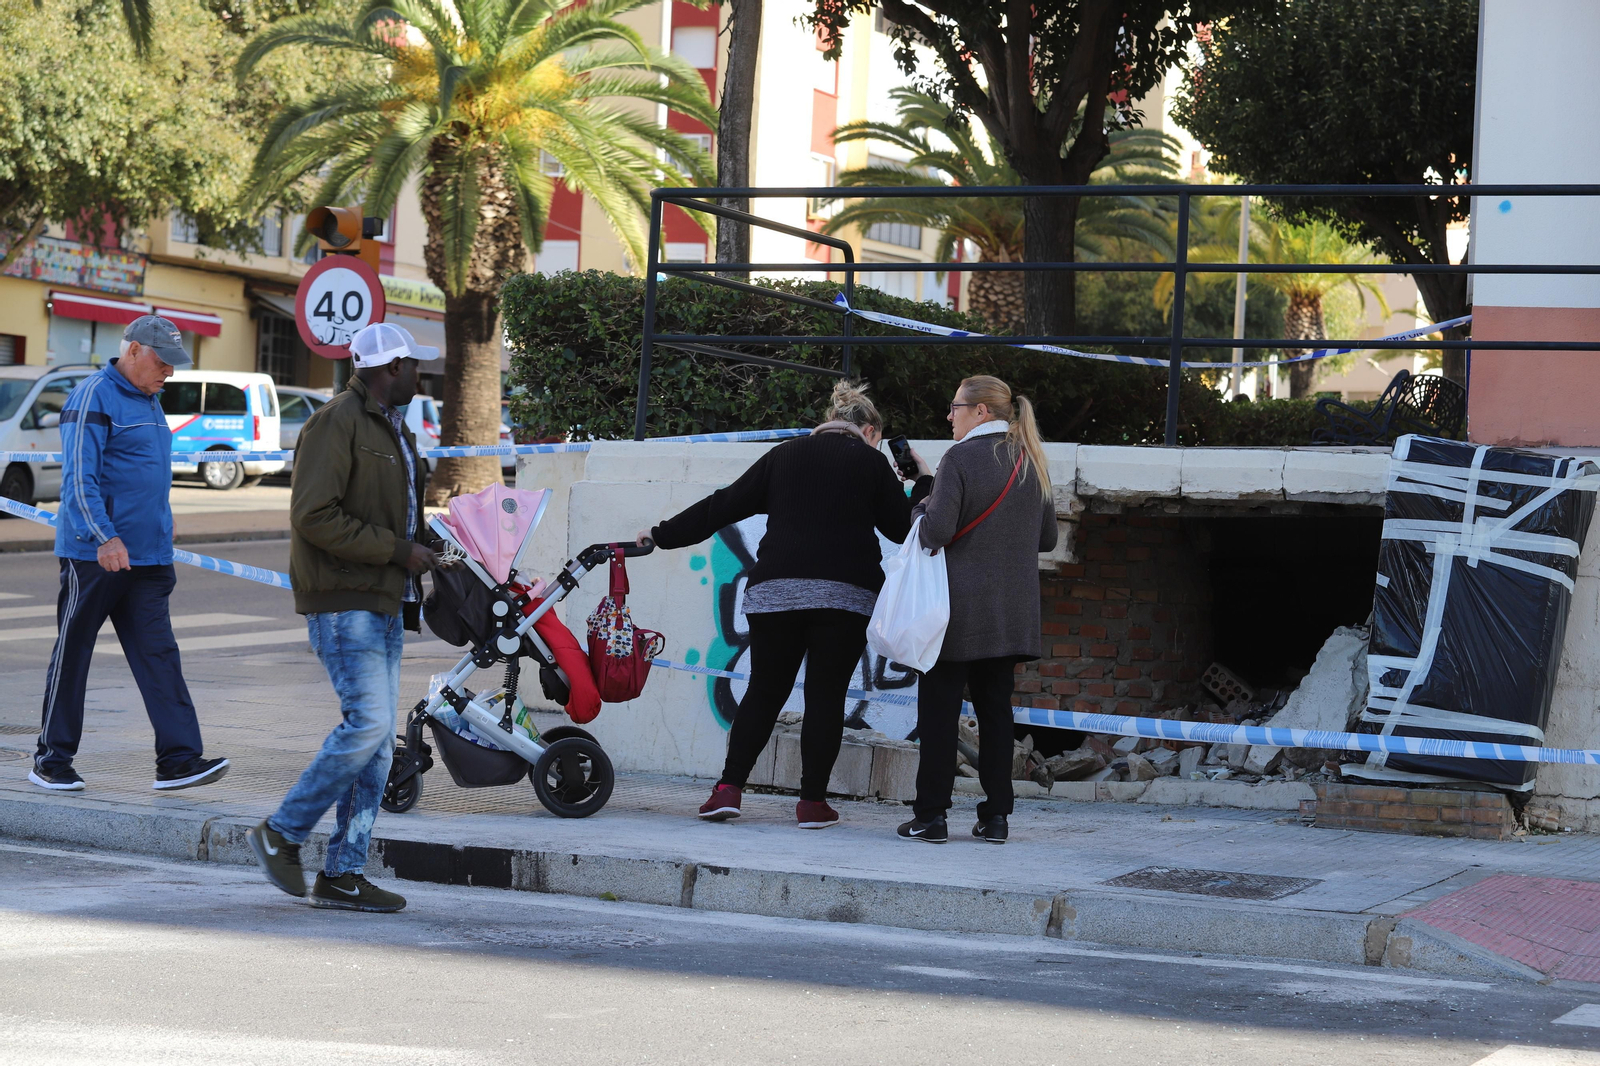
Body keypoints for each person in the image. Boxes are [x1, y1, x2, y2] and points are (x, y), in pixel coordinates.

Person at [640, 381, 932, 829]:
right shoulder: (872, 464)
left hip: (775, 594)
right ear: (870, 430)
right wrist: (922, 481)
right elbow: (901, 530)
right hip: (845, 598)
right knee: (826, 698)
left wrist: (661, 535)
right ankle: (812, 803)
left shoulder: (785, 454)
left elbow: (724, 505)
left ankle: (727, 790)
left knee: (764, 690)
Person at [248, 322, 442, 913]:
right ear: (389, 368)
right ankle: (283, 831)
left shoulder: (394, 430)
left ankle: (342, 875)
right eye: (413, 364)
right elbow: (314, 515)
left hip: (383, 600)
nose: (420, 373)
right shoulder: (336, 423)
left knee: (379, 744)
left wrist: (439, 545)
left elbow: (399, 519)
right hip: (344, 598)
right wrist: (397, 550)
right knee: (367, 726)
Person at [31, 315, 229, 793]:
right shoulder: (94, 396)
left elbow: (146, 476)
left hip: (148, 559)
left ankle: (179, 760)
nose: (170, 373)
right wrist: (106, 537)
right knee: (73, 652)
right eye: (163, 362)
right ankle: (50, 760)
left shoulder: (151, 399)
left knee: (159, 655)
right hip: (96, 556)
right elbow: (80, 480)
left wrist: (162, 522)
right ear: (135, 350)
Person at [898, 375, 1057, 845]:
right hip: (1010, 612)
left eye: (955, 407)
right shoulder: (1031, 459)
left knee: (939, 713)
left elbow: (937, 531)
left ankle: (931, 816)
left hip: (956, 611)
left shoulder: (960, 457)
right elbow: (1046, 539)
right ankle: (997, 818)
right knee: (996, 714)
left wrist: (919, 509)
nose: (950, 416)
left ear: (981, 411)